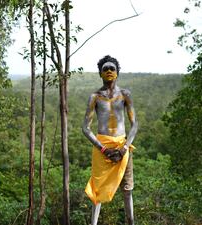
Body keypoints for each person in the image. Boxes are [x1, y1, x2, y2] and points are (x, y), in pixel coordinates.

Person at [83, 55, 138, 225]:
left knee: (127, 189)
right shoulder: (95, 97)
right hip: (102, 148)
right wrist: (103, 149)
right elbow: (85, 128)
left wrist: (125, 147)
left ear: (117, 72)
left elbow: (134, 124)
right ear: (100, 73)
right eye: (105, 69)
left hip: (122, 146)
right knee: (97, 190)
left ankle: (131, 222)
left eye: (111, 68)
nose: (108, 71)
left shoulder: (125, 95)